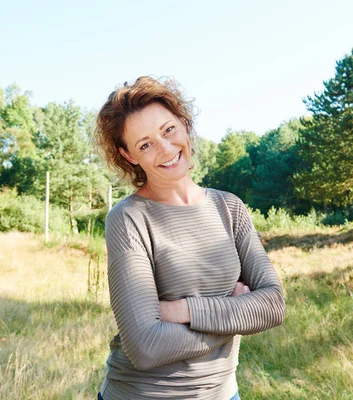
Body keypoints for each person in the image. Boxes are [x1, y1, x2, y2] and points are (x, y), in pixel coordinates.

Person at [93, 76, 285, 400]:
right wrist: (236, 312)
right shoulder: (129, 219)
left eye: (168, 130)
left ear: (183, 124)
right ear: (128, 156)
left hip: (225, 394)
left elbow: (273, 305)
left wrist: (183, 310)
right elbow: (145, 347)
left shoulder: (230, 208)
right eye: (145, 144)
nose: (166, 149)